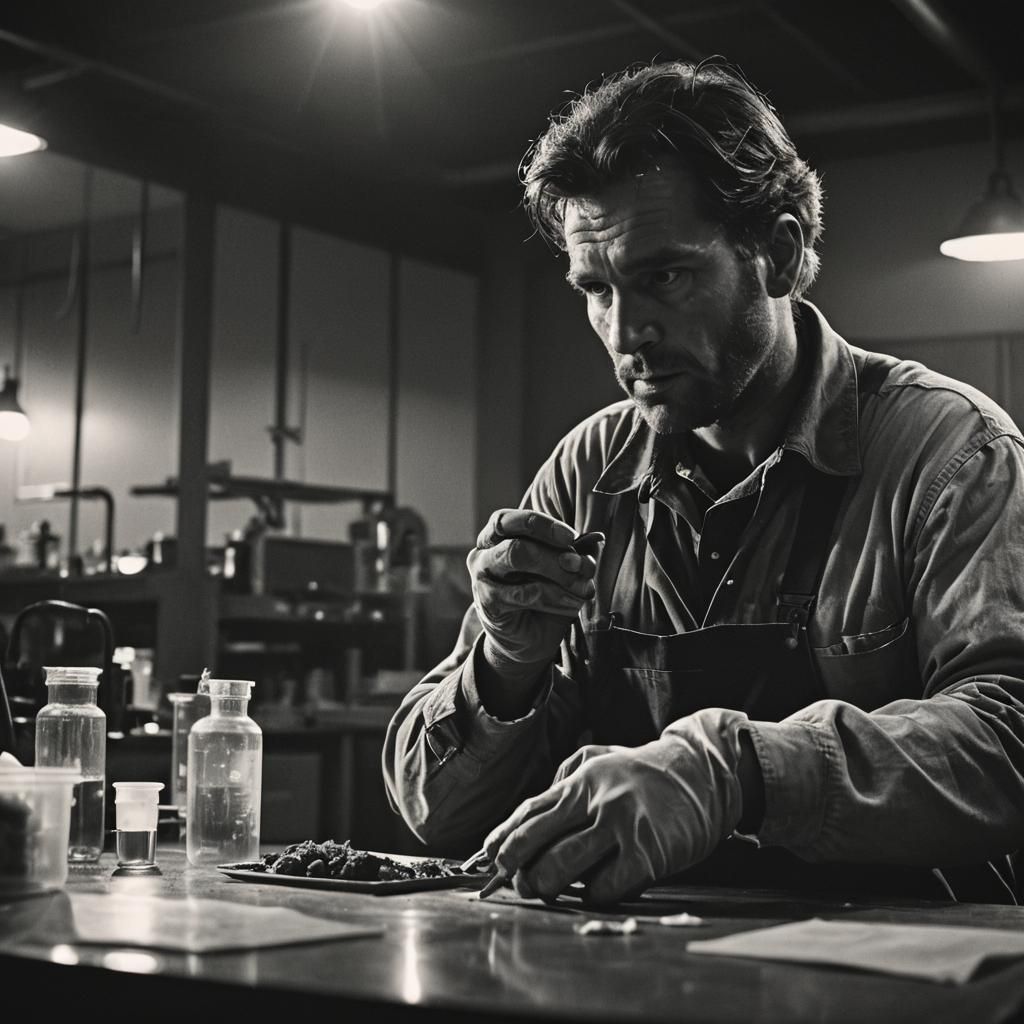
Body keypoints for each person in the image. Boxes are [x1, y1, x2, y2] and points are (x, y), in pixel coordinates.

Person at [382, 57, 1024, 906]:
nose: (627, 331)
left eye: (665, 276)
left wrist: (734, 773)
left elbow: (1008, 741)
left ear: (782, 254)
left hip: (892, 978)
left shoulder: (948, 452)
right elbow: (436, 812)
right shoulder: (588, 473)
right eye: (597, 289)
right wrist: (508, 666)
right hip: (635, 965)